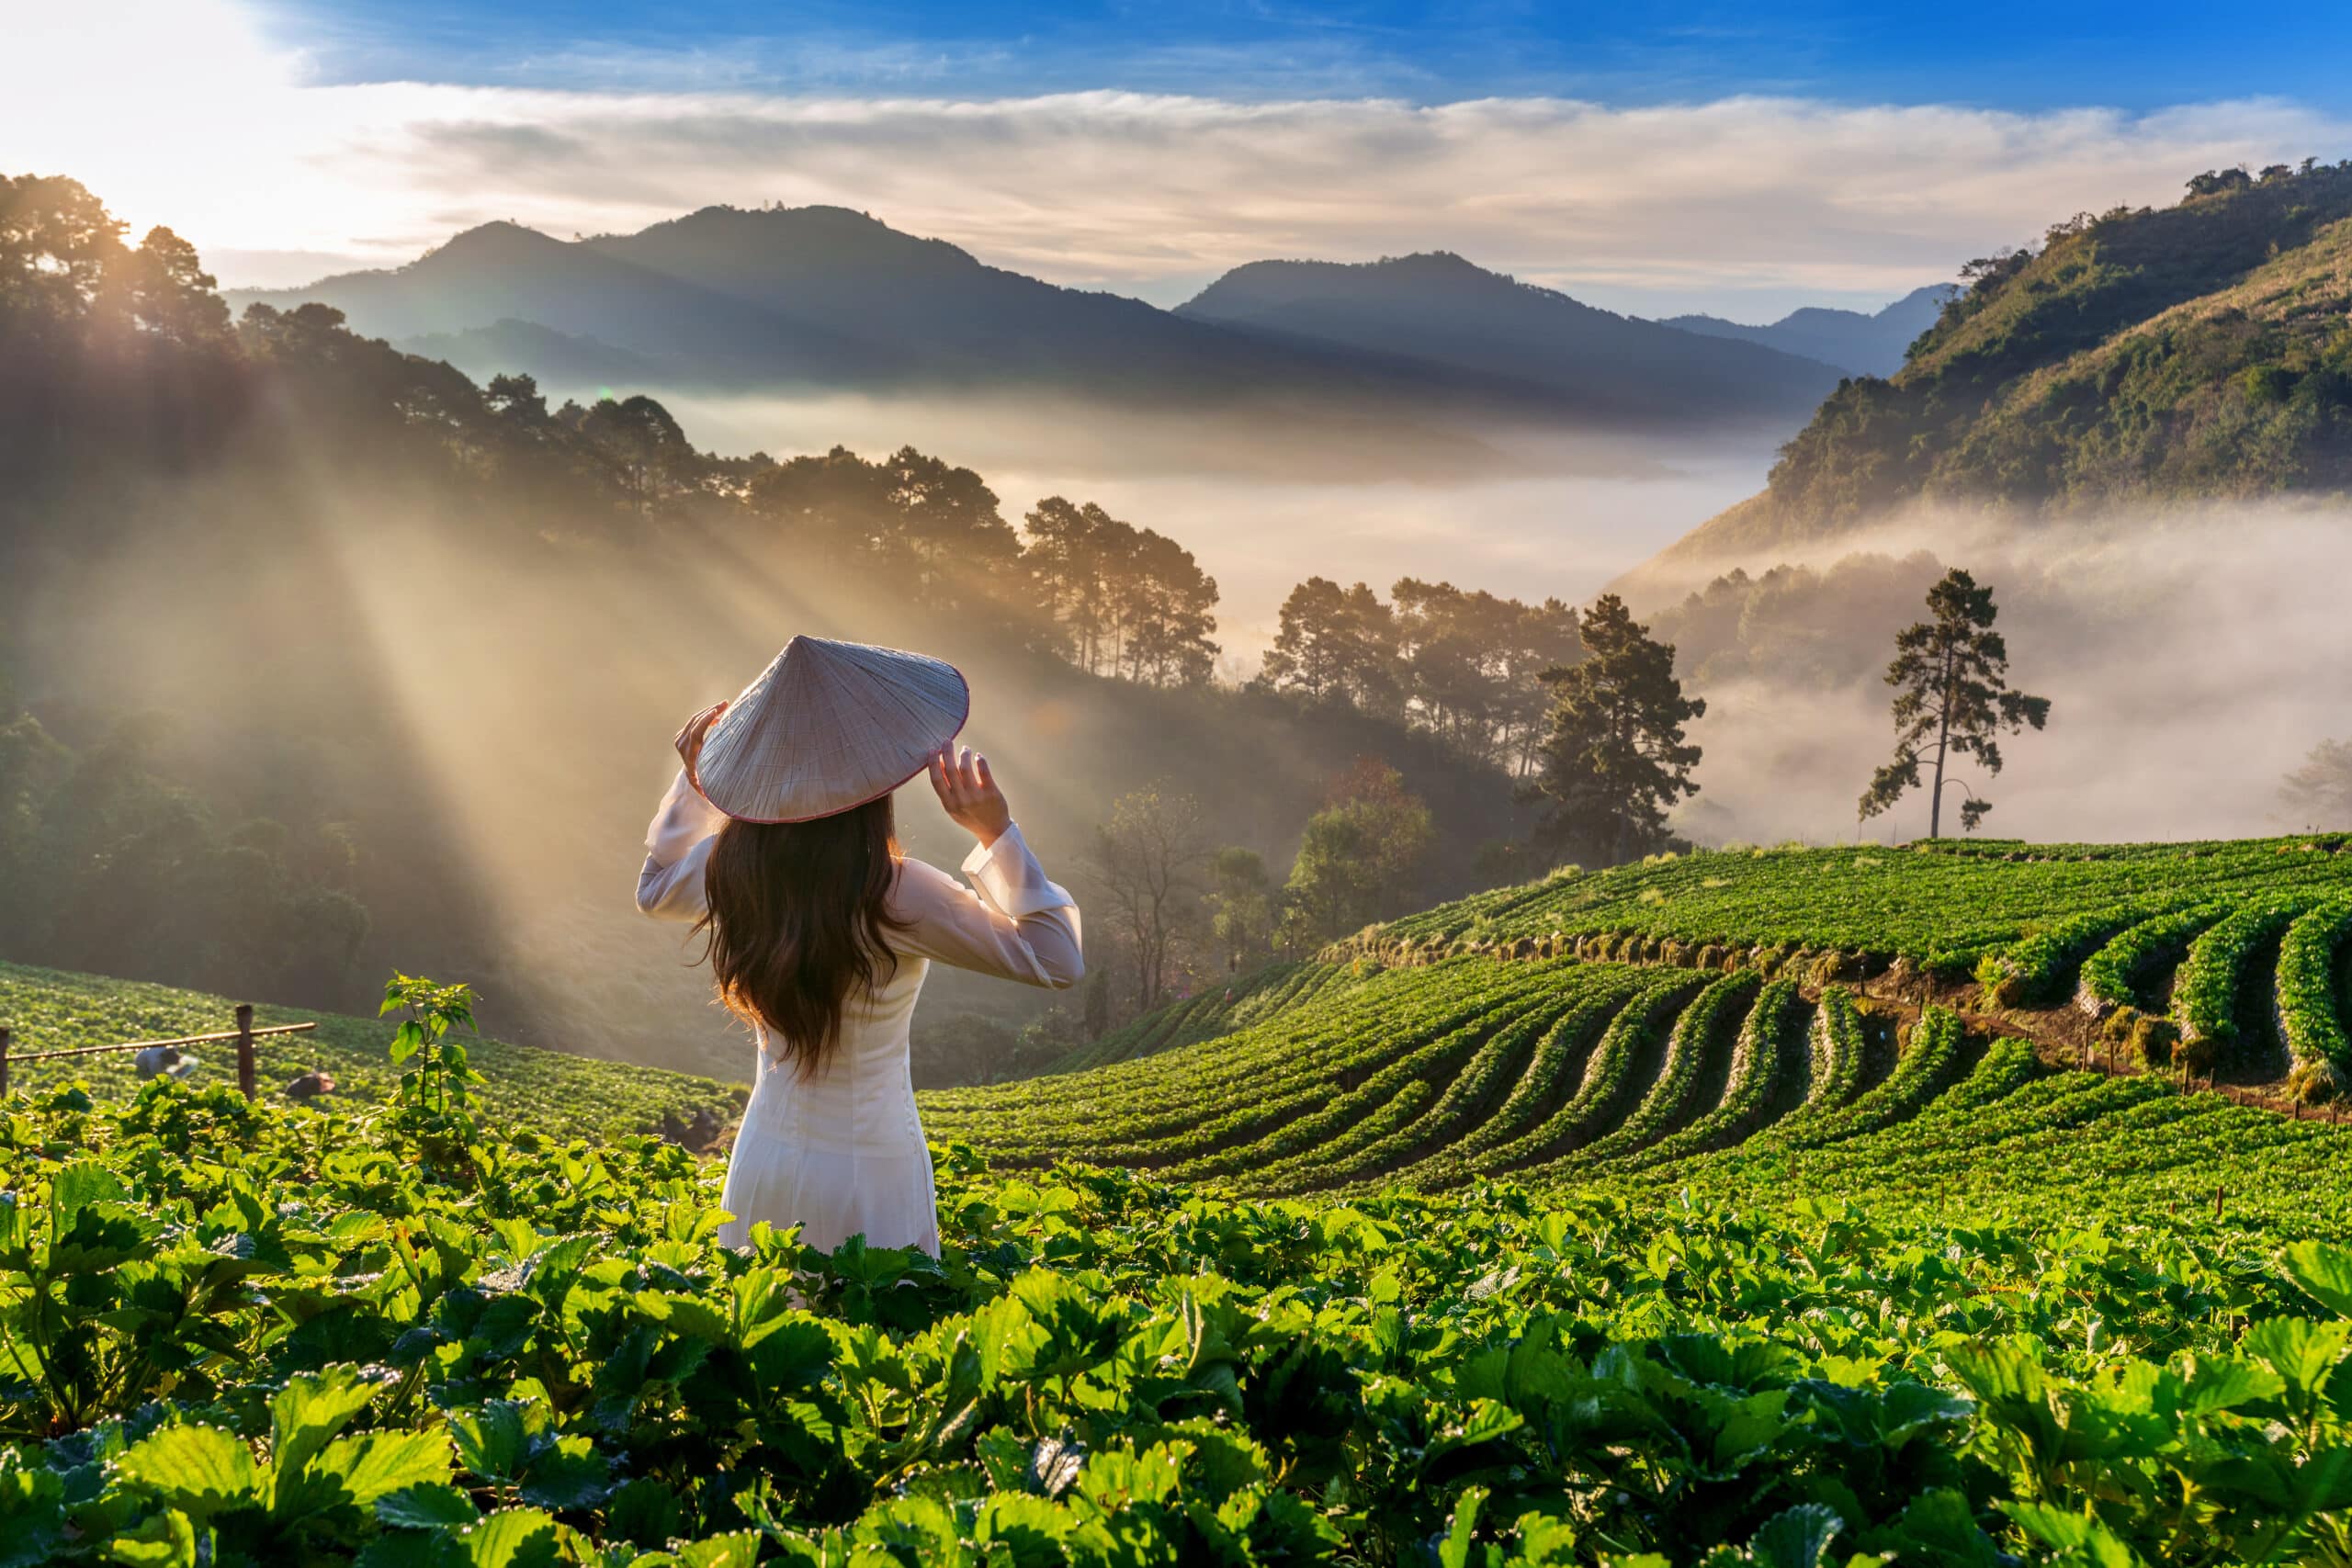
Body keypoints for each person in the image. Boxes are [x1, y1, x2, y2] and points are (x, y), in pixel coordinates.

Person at [635, 635, 1083, 1257]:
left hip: (762, 1160)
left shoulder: (735, 865)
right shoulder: (896, 892)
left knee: (768, 1334)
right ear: (874, 778)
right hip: (870, 1173)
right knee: (872, 1341)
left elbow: (654, 887)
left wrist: (695, 786)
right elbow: (1056, 958)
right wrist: (996, 833)